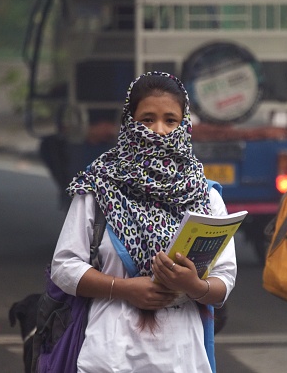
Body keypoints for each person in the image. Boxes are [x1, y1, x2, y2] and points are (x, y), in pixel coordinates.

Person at [50, 71, 237, 373]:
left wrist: (193, 285)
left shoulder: (205, 196)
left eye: (170, 120)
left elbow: (225, 279)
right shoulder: (98, 188)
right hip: (110, 357)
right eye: (147, 119)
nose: (159, 131)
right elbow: (64, 267)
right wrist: (123, 289)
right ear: (129, 122)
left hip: (182, 358)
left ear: (184, 124)